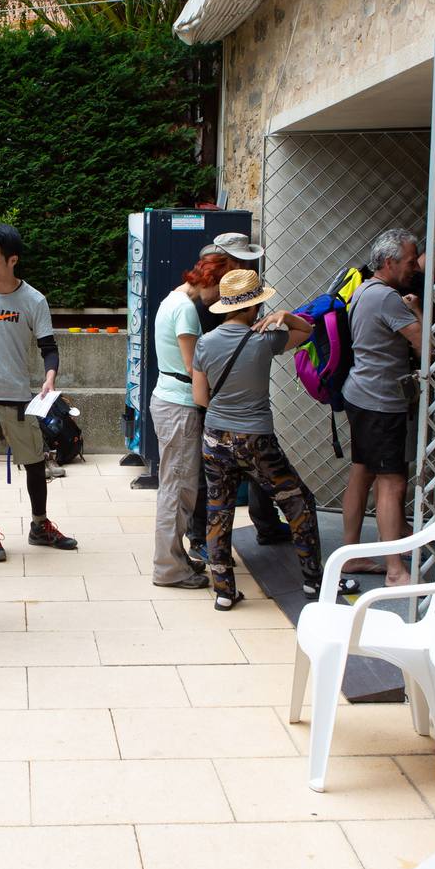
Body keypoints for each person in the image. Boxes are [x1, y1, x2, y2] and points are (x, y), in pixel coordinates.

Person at [192, 268, 360, 611]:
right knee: (298, 502)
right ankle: (314, 581)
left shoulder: (204, 343)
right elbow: (309, 332)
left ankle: (224, 591)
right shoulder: (266, 340)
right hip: (257, 439)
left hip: (214, 437)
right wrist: (285, 317)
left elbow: (199, 397)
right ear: (254, 307)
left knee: (218, 509)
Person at [339, 228, 435, 585]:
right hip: (381, 401)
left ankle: (351, 554)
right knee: (393, 482)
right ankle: (396, 571)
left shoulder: (364, 290)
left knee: (363, 472)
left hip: (361, 394)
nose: (415, 267)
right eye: (411, 260)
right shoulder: (386, 298)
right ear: (389, 262)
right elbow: (424, 348)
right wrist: (416, 312)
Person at [0, 224, 77, 562]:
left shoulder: (33, 300)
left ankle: (39, 526)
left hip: (20, 399)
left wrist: (50, 377)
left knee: (35, 465)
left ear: (13, 260)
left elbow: (48, 347)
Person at [186, 234, 290, 552]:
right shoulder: (213, 299)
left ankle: (258, 525)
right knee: (217, 476)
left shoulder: (221, 293)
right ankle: (202, 535)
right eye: (243, 260)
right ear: (227, 262)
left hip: (216, 394)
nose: (248, 265)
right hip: (217, 394)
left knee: (221, 474)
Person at [147, 250, 230, 588]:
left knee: (174, 486)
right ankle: (168, 568)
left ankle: (176, 559)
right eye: (220, 293)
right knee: (177, 490)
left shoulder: (172, 299)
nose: (219, 302)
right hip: (179, 405)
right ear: (209, 281)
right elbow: (192, 365)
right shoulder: (185, 310)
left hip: (167, 400)